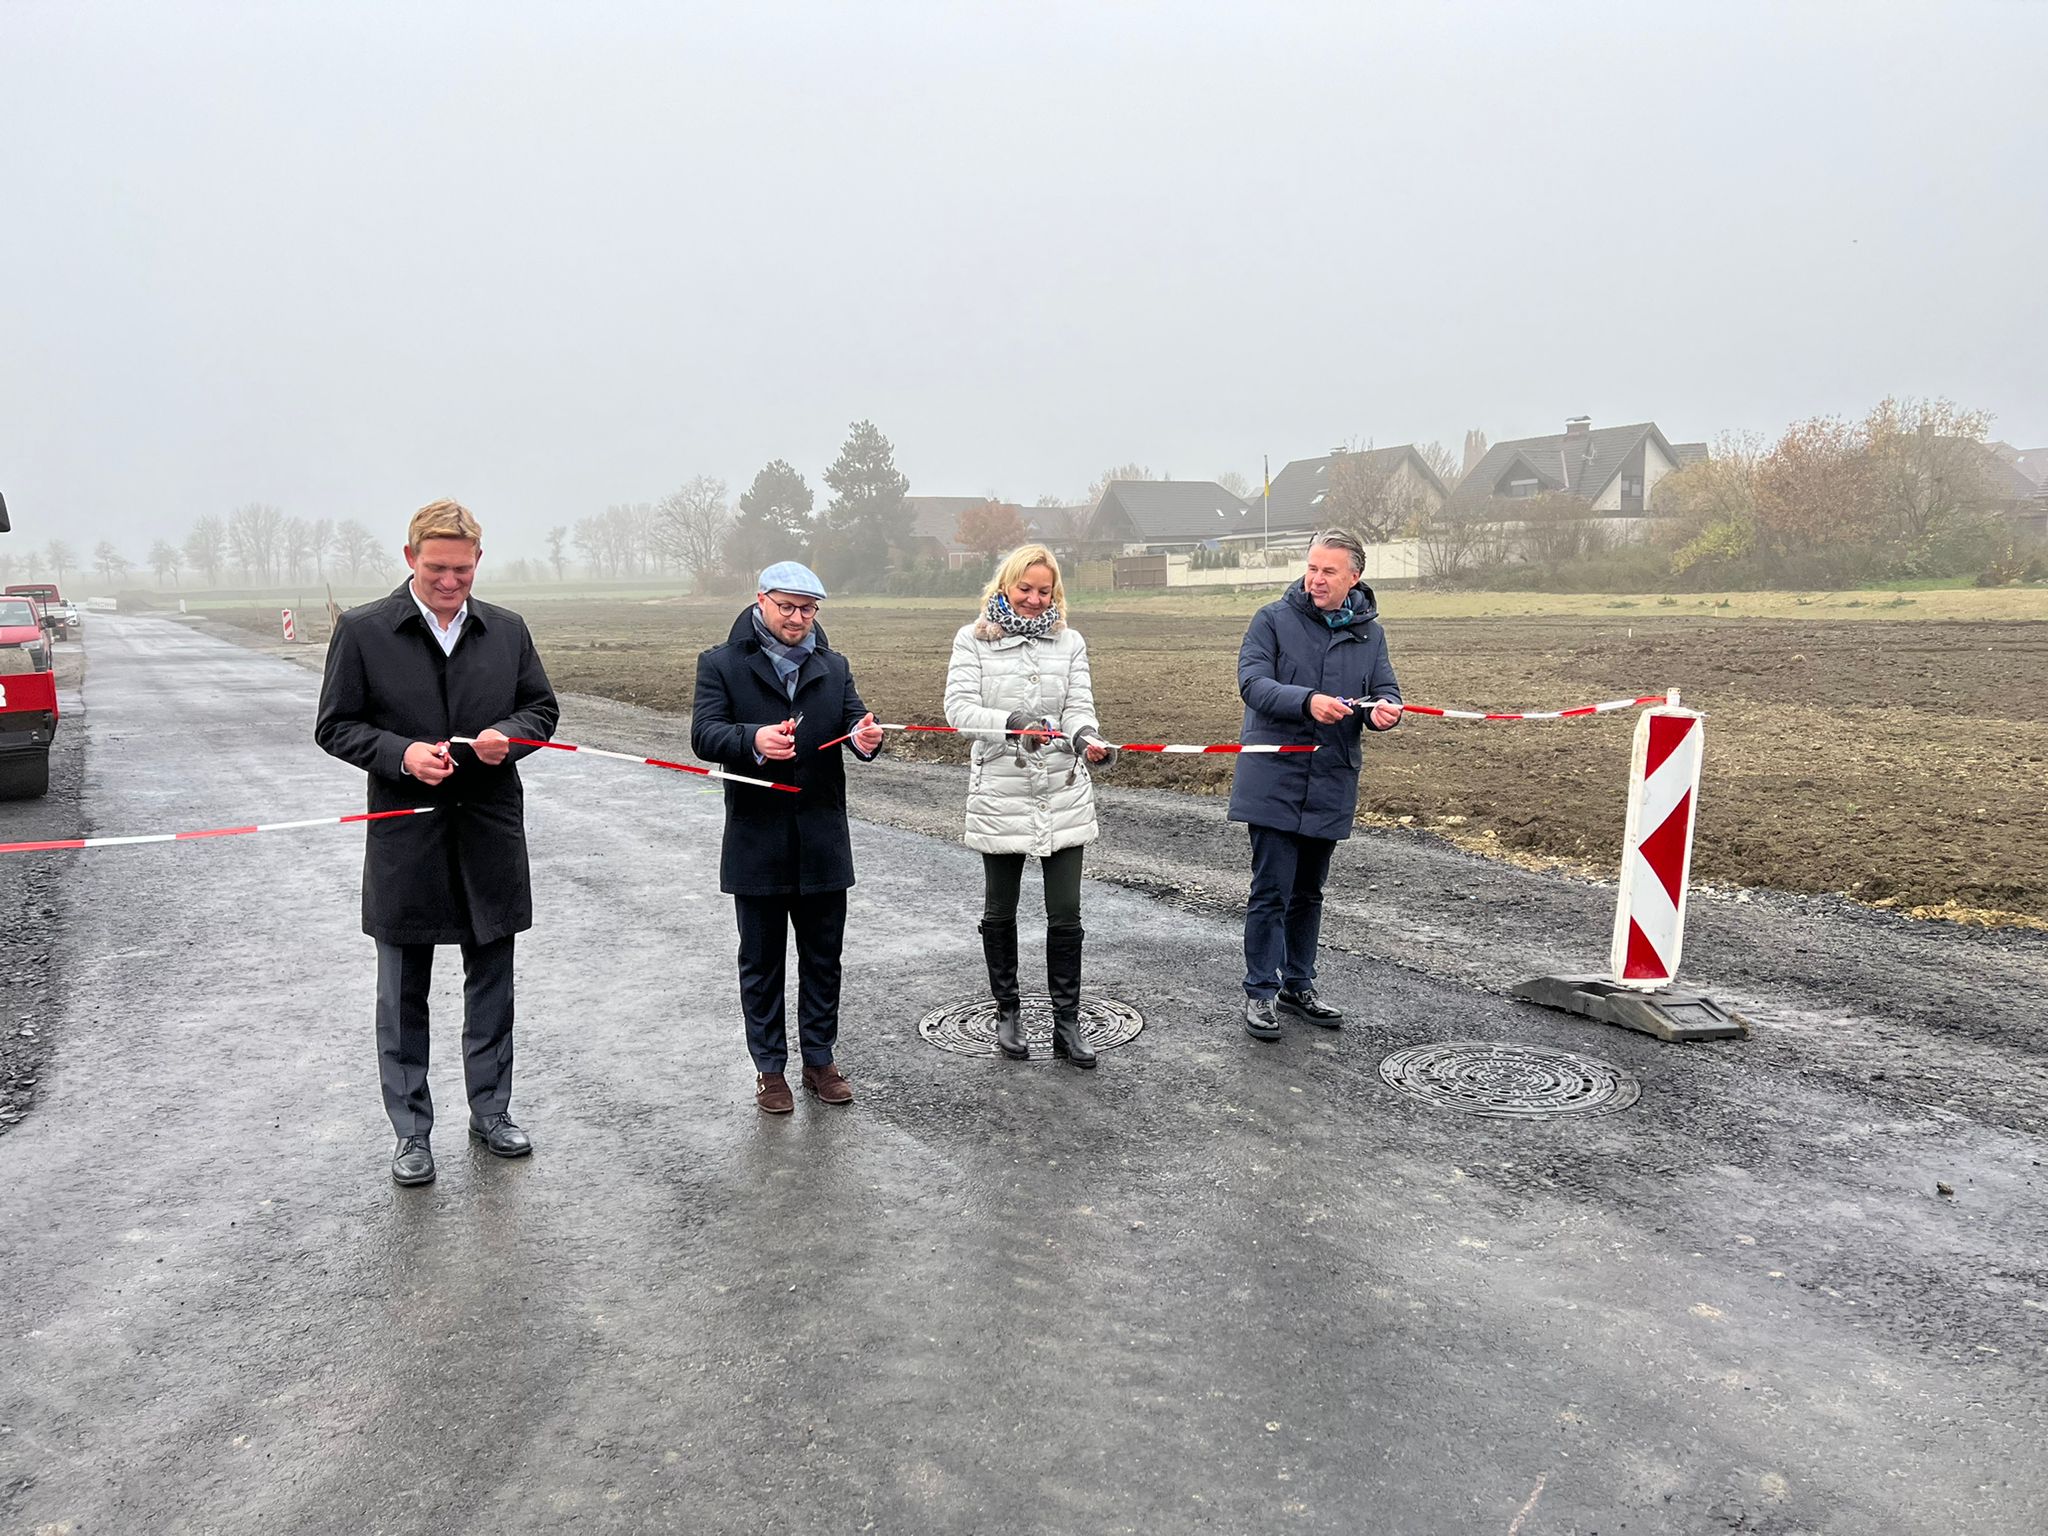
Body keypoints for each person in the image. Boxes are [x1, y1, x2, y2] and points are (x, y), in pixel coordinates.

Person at [314, 499, 560, 1185]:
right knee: (402, 994)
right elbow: (334, 725)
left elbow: (542, 708)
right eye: (436, 568)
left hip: (488, 834)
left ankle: (492, 1113)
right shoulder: (363, 631)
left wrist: (507, 738)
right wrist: (400, 755)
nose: (450, 582)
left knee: (492, 985)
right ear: (409, 559)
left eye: (462, 569)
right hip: (406, 840)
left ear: (478, 562)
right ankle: (412, 1132)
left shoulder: (507, 630)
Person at [690, 561, 885, 1113]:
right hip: (757, 839)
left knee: (824, 957)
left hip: (823, 837)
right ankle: (769, 1068)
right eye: (788, 607)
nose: (798, 618)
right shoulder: (721, 664)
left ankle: (819, 1059)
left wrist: (866, 738)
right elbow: (704, 733)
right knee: (761, 960)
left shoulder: (834, 664)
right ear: (761, 601)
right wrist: (753, 739)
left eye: (808, 609)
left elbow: (855, 725)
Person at [943, 545, 1117, 1067]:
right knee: (1001, 908)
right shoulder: (972, 640)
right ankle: (1008, 1012)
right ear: (1005, 586)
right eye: (1025, 589)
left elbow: (1079, 707)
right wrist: (1013, 721)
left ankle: (1067, 1022)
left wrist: (1088, 739)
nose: (1035, 600)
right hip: (1002, 790)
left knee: (1065, 912)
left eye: (1045, 591)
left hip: (1064, 790)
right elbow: (958, 709)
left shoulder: (1070, 642)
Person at [1228, 528, 1402, 1041]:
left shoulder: (1370, 631)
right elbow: (1253, 684)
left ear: (1355, 576)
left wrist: (1387, 712)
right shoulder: (1272, 620)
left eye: (1328, 570)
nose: (1316, 579)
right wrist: (1307, 701)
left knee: (1309, 892)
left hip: (1331, 776)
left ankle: (1297, 985)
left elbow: (1385, 688)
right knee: (1272, 889)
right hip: (1274, 778)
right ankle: (1259, 991)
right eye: (1311, 568)